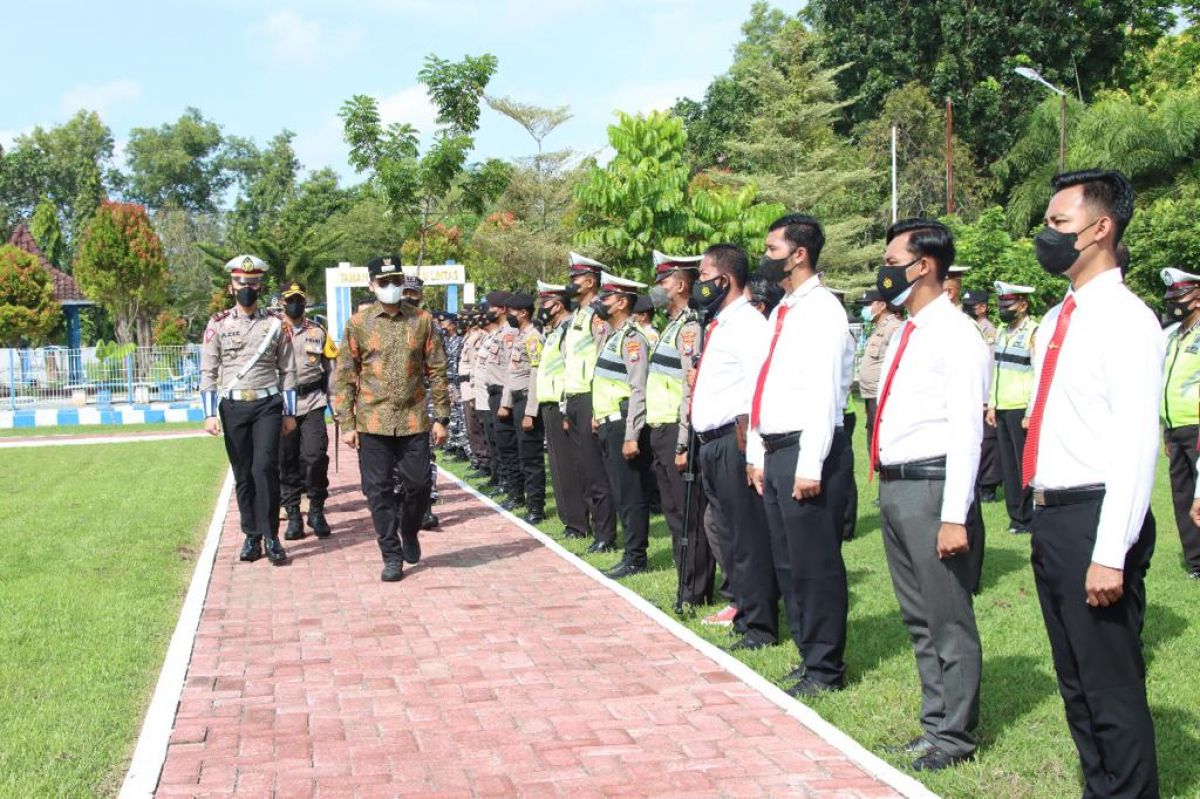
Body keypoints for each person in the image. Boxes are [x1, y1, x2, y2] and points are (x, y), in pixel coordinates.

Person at [1025, 169, 1161, 796]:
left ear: (1100, 227)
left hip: (1097, 517)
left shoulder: (1126, 319)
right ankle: (1098, 786)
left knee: (1109, 683)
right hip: (1053, 516)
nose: (1046, 236)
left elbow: (1135, 444)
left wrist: (1110, 553)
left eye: (1059, 224)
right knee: (1075, 679)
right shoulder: (1058, 318)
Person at [871, 218, 988, 771]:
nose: (885, 269)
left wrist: (955, 514)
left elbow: (967, 430)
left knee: (948, 618)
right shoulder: (905, 330)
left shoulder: (955, 332)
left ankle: (956, 738)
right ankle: (934, 723)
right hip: (897, 489)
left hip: (933, 487)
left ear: (922, 266)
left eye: (893, 259)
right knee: (918, 619)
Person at [746, 214, 850, 697]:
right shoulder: (784, 309)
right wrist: (757, 452)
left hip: (810, 448)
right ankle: (810, 655)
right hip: (777, 447)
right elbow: (766, 387)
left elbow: (824, 393)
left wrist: (810, 465)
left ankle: (826, 667)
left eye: (771, 250)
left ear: (799, 254)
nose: (765, 258)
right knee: (788, 562)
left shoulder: (822, 310)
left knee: (814, 563)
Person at [333, 254, 450, 582]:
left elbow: (437, 371)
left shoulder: (422, 320)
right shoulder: (359, 323)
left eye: (396, 281)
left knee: (418, 485)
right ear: (372, 285)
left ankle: (409, 530)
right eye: (384, 282)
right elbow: (345, 374)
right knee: (378, 490)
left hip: (413, 419)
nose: (391, 287)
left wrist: (442, 417)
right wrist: (346, 422)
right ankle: (391, 554)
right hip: (372, 422)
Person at [691, 243, 779, 650]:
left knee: (747, 537)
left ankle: (759, 624)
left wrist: (754, 453)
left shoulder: (747, 325)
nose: (699, 284)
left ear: (724, 279)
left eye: (705, 276)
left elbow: (758, 392)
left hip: (735, 440)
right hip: (711, 443)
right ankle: (743, 610)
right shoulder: (722, 322)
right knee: (727, 533)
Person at [200, 255, 298, 565]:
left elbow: (288, 369)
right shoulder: (218, 324)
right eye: (242, 283)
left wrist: (290, 412)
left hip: (267, 404)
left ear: (260, 287)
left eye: (253, 284)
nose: (247, 288)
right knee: (243, 473)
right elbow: (208, 370)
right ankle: (251, 535)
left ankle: (271, 535)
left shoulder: (274, 324)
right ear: (232, 286)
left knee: (265, 468)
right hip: (233, 406)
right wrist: (209, 413)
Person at [645, 250, 716, 608]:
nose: (658, 287)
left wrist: (684, 441)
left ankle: (695, 590)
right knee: (674, 514)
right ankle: (685, 581)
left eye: (663, 281)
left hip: (678, 429)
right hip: (660, 429)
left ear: (682, 283)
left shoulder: (690, 328)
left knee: (689, 516)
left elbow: (691, 387)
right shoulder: (669, 327)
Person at [590, 273, 655, 578]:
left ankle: (636, 557)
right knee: (619, 492)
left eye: (607, 298)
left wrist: (632, 435)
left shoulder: (632, 339)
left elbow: (638, 387)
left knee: (630, 495)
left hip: (622, 424)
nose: (601, 303)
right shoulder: (613, 337)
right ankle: (630, 554)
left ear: (622, 302)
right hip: (606, 422)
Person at [562, 252, 619, 553]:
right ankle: (591, 528)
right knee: (582, 469)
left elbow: (600, 360)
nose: (572, 283)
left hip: (589, 396)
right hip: (573, 396)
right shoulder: (578, 315)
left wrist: (597, 406)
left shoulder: (598, 314)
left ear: (590, 280)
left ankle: (605, 534)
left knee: (595, 471)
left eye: (576, 278)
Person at [277, 280, 337, 541]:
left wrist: (337, 402)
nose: (295, 304)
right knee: (287, 461)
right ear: (282, 302)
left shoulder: (318, 331)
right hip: (282, 406)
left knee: (314, 456)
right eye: (290, 299)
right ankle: (293, 516)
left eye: (299, 299)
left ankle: (315, 509)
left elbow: (332, 368)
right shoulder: (273, 331)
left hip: (313, 401)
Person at [533, 282, 589, 538]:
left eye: (544, 303)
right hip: (550, 404)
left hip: (561, 404)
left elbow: (570, 370)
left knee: (567, 467)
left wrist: (566, 408)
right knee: (557, 466)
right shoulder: (555, 331)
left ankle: (578, 524)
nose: (541, 308)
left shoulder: (568, 330)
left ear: (557, 304)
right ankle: (570, 520)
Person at [987, 281, 1039, 535]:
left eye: (1008, 304)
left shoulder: (1033, 332)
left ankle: (1028, 516)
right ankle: (1015, 516)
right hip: (1003, 406)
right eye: (1000, 304)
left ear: (1022, 304)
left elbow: (1038, 374)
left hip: (1021, 407)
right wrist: (992, 404)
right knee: (1008, 466)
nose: (1003, 308)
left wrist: (1031, 411)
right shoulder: (1001, 331)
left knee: (1024, 464)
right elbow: (996, 370)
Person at [1160, 267, 1200, 580]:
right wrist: (1165, 429)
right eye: (1171, 295)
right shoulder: (1173, 336)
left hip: (1197, 425)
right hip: (1175, 427)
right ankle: (1196, 561)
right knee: (1182, 495)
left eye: (1180, 295)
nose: (1174, 301)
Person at [499, 292, 547, 523]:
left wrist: (530, 412)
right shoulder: (520, 336)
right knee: (519, 454)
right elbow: (512, 373)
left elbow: (536, 375)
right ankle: (524, 500)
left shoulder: (533, 338)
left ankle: (536, 508)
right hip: (517, 401)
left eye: (512, 312)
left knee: (531, 458)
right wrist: (506, 404)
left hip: (528, 402)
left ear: (524, 313)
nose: (509, 316)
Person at [963, 290, 1001, 504]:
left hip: (986, 394)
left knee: (988, 443)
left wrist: (990, 398)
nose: (970, 308)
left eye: (974, 305)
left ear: (983, 307)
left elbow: (991, 365)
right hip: (971, 393)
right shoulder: (967, 328)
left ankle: (988, 485)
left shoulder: (990, 332)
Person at [856, 289, 902, 455]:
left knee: (881, 439)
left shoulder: (894, 327)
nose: (866, 308)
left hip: (882, 394)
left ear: (882, 305)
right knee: (872, 435)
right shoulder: (878, 328)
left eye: (869, 304)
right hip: (871, 394)